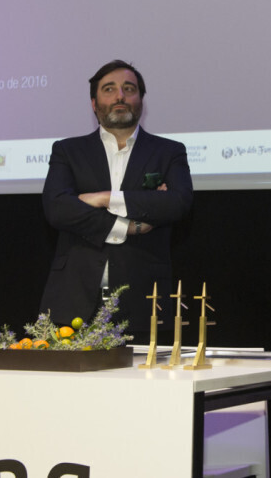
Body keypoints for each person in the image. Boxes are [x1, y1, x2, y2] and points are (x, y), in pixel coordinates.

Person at [40, 59, 193, 334]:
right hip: (73, 295)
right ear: (94, 103)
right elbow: (57, 209)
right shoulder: (67, 151)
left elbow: (176, 203)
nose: (120, 96)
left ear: (141, 100)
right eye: (109, 89)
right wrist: (129, 226)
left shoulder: (169, 152)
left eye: (129, 89)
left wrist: (103, 198)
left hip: (143, 296)